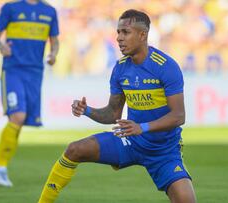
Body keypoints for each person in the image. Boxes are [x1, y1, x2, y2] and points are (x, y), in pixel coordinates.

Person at [38, 9, 196, 203]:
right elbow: (113, 113)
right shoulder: (121, 68)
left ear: (142, 34)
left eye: (125, 32)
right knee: (74, 150)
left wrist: (142, 127)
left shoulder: (165, 66)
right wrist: (87, 110)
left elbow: (178, 116)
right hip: (130, 141)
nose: (119, 38)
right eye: (118, 32)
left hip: (163, 150)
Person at [0, 0, 59, 187]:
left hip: (35, 73)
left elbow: (55, 40)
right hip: (13, 70)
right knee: (17, 116)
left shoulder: (49, 11)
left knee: (19, 122)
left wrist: (53, 54)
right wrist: (0, 46)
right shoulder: (11, 8)